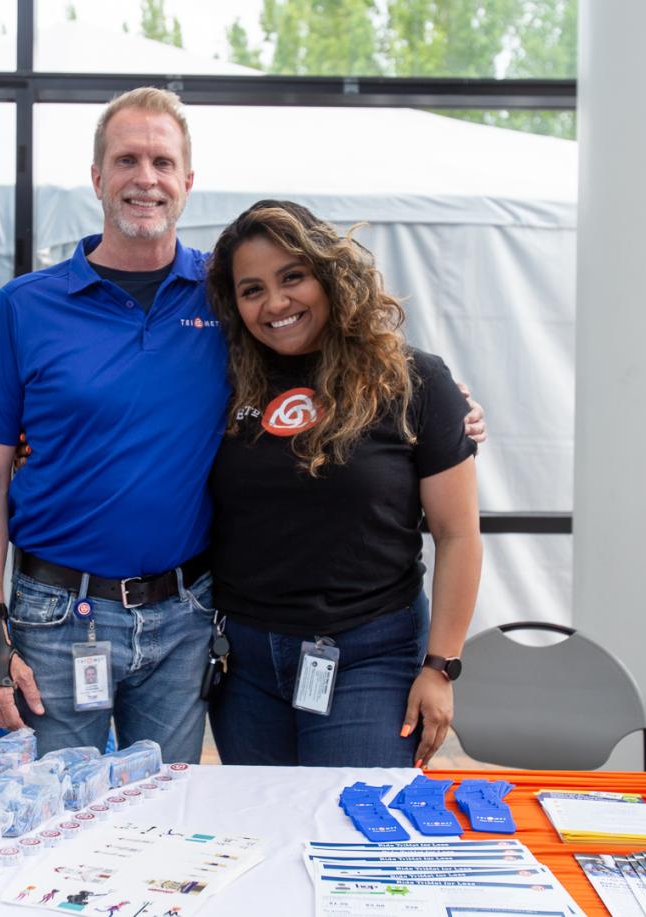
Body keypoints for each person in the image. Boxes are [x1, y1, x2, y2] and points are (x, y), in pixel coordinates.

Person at [0, 88, 485, 762]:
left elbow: (342, 356)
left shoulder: (228, 293)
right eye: (126, 160)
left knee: (165, 816)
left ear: (187, 182)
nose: (145, 178)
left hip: (186, 616)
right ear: (96, 178)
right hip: (58, 614)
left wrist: (448, 405)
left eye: (162, 162)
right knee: (58, 816)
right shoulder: (25, 306)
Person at [202, 200, 482, 768]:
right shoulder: (218, 384)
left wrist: (440, 667)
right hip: (245, 663)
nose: (275, 303)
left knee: (351, 837)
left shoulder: (413, 380)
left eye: (292, 278)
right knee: (262, 834)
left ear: (330, 276)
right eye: (252, 289)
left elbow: (458, 536)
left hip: (370, 657)